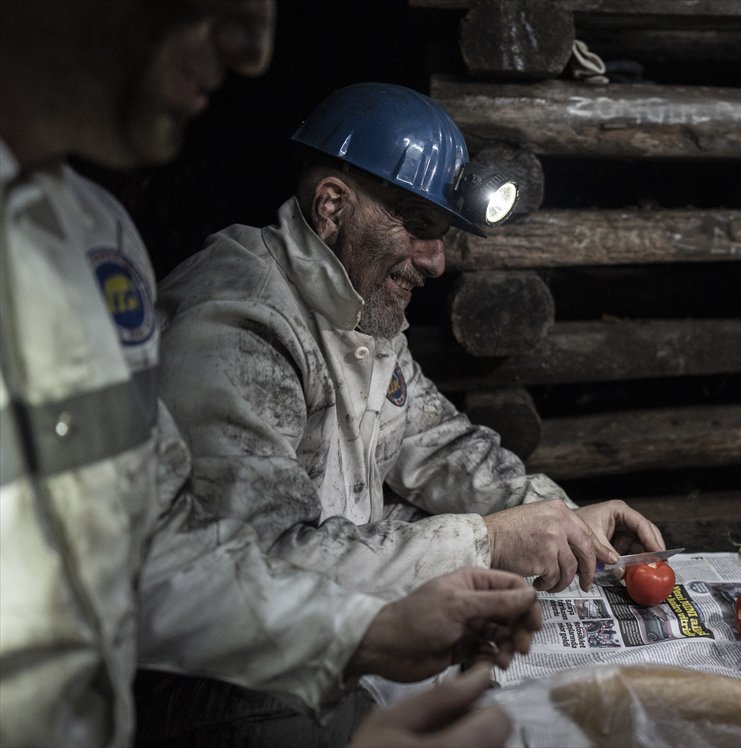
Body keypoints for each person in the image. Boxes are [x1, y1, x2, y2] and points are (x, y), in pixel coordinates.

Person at [0, 3, 539, 747]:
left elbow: (147, 546)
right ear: (332, 207)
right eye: (215, 3)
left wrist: (364, 631)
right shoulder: (241, 313)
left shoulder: (94, 237)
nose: (254, 52)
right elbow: (267, 545)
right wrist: (482, 542)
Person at [154, 82, 665, 602]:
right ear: (332, 207)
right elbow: (262, 566)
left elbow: (439, 446)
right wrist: (487, 543)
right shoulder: (243, 325)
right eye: (417, 226)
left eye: (441, 235)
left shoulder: (360, 309)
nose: (436, 261)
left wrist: (565, 518)